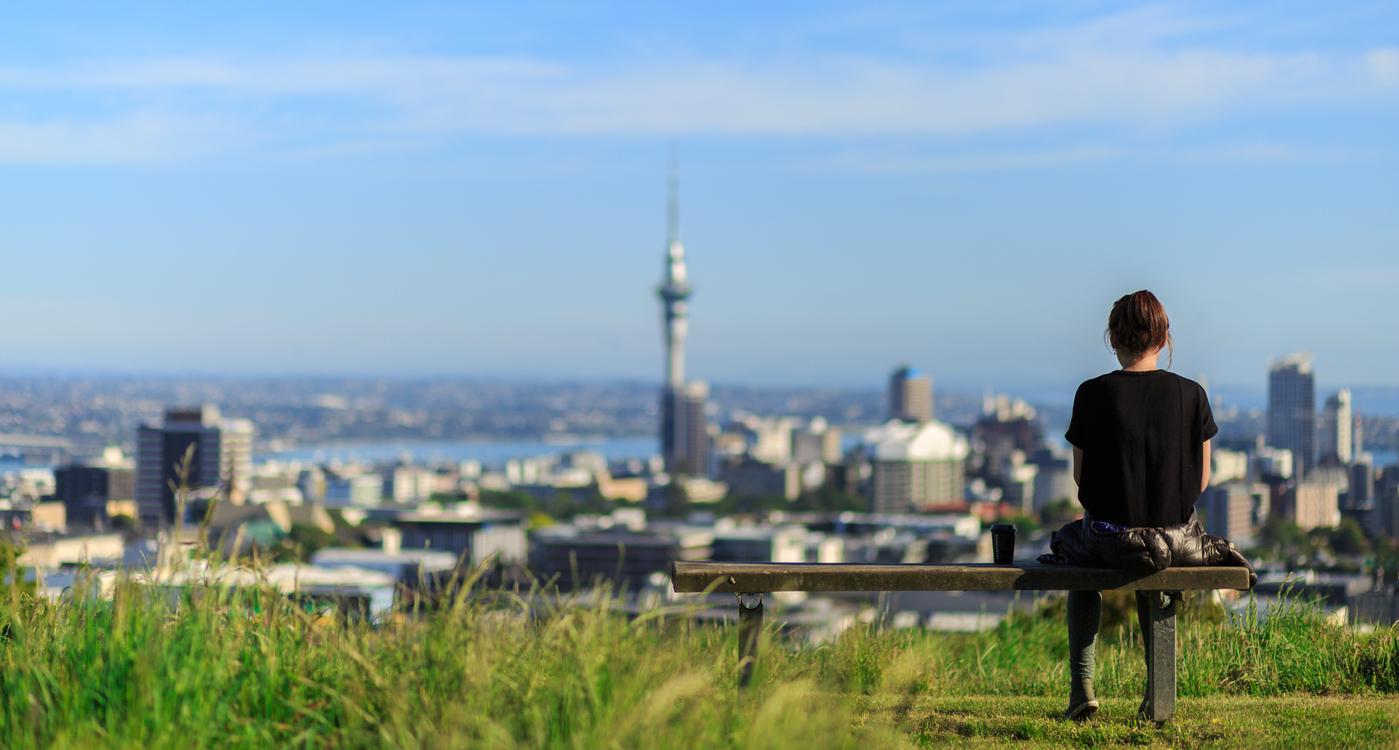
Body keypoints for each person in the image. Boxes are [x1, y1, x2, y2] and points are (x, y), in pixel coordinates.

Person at [1060, 290, 1217, 721]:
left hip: (1108, 539)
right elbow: (1200, 481)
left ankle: (1082, 687)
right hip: (1173, 540)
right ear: (1164, 339)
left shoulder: (1091, 394)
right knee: (1158, 562)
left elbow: (1081, 480)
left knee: (1073, 553)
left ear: (1113, 338)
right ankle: (1156, 694)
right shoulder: (1192, 395)